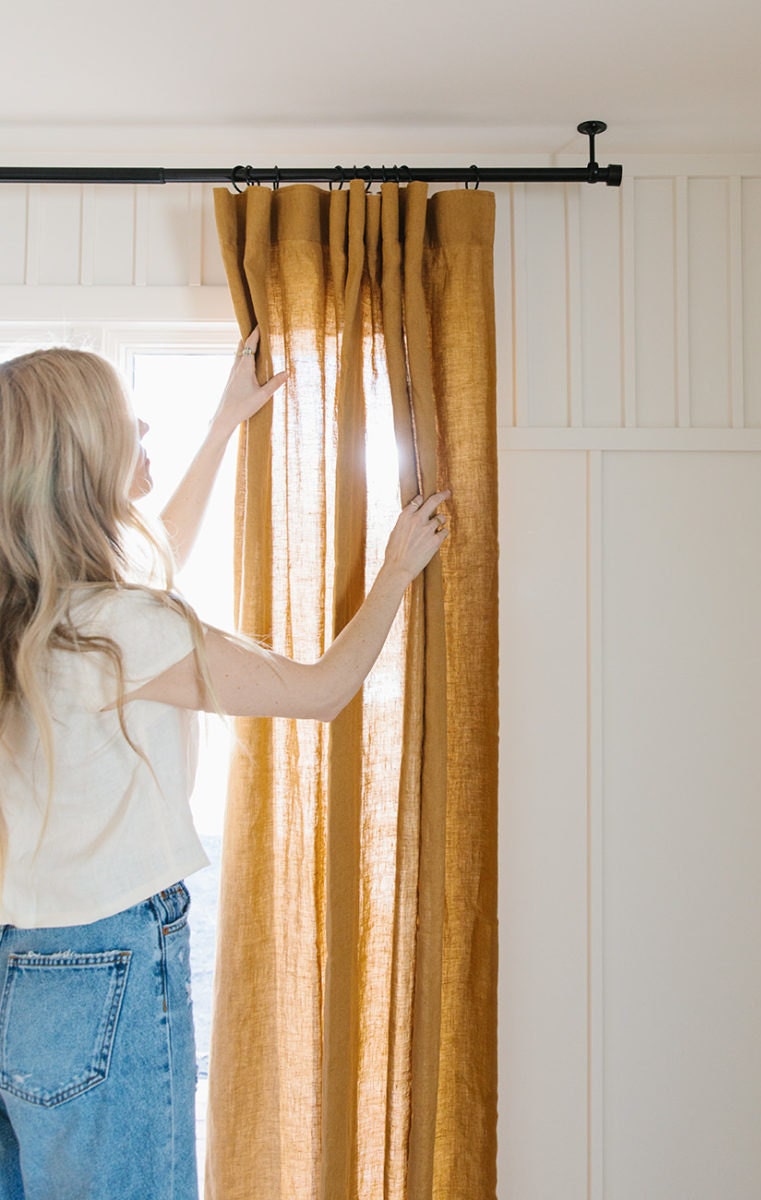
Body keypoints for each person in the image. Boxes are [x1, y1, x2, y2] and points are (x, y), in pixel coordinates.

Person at [0, 328, 449, 1200]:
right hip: (109, 967)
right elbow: (318, 692)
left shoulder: (38, 621)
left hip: (20, 967)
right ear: (85, 458)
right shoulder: (119, 629)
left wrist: (222, 429)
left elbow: (153, 556)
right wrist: (395, 571)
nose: (144, 433)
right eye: (127, 423)